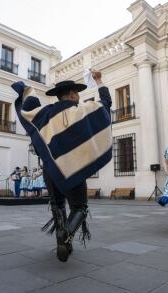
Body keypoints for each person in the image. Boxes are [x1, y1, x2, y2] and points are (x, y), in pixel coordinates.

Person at [12, 70, 112, 262]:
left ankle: (63, 242)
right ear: (73, 94)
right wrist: (99, 81)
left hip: (52, 170)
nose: (78, 97)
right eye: (77, 94)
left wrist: (25, 92)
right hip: (74, 168)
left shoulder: (45, 114)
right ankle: (65, 233)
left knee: (57, 205)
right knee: (80, 207)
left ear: (58, 96)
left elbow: (28, 112)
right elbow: (106, 103)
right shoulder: (84, 110)